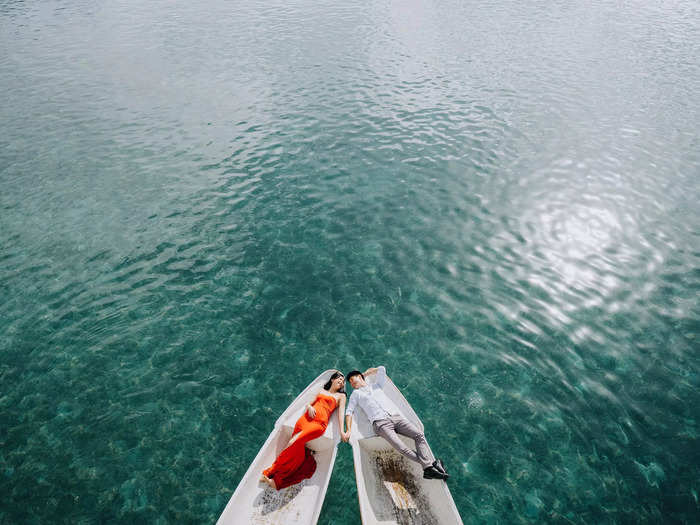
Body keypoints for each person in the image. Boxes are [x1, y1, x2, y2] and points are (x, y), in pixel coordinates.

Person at [343, 366, 449, 480]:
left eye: (353, 380)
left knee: (419, 435)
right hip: (380, 424)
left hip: (395, 417)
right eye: (350, 383)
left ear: (360, 377)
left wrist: (366, 373)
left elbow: (381, 369)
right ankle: (431, 465)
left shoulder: (376, 385)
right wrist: (348, 430)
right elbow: (349, 411)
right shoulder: (356, 394)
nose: (352, 384)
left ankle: (429, 469)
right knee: (402, 448)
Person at [260, 371, 349, 490]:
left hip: (319, 424)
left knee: (293, 443)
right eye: (340, 379)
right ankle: (274, 479)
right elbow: (309, 402)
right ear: (332, 379)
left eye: (343, 382)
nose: (341, 382)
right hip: (304, 420)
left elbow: (341, 413)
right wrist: (309, 407)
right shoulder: (322, 390)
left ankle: (274, 473)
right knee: (294, 446)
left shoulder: (341, 396)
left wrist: (343, 431)